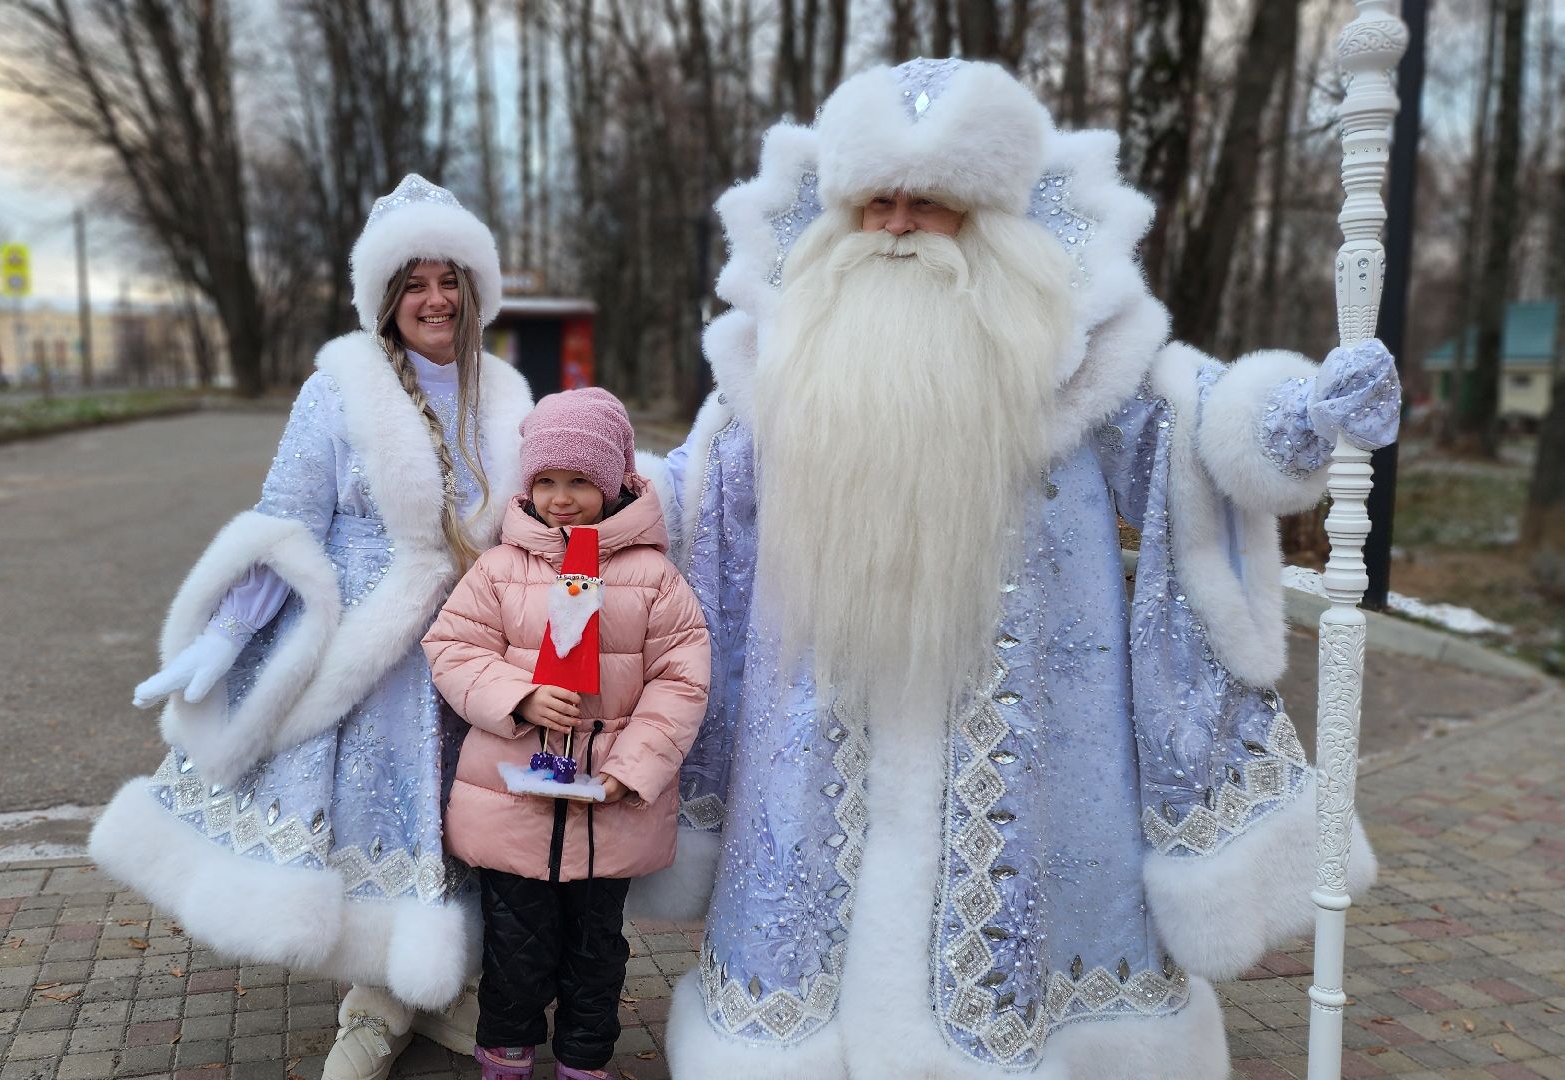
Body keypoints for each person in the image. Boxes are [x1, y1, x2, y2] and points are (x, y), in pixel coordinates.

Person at [641, 59, 1403, 1077]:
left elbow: (1196, 430)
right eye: (877, 201)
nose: (900, 226)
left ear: (988, 218)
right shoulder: (775, 363)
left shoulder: (1074, 357)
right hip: (824, 723)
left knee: (1012, 938)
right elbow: (695, 499)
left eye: (931, 203)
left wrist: (1302, 416)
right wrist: (574, 488)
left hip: (1022, 728)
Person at [88, 175, 535, 1080]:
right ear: (385, 298)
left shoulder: (509, 395)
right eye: (414, 283)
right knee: (382, 822)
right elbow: (287, 524)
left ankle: (442, 988)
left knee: (469, 827)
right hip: (371, 658)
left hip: (476, 653)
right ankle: (372, 1006)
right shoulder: (341, 391)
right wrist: (221, 637)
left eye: (449, 279)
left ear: (475, 288)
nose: (435, 300)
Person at [423, 388, 711, 1080]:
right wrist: (517, 697)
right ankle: (505, 1054)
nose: (560, 498)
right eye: (546, 481)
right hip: (512, 804)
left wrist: (634, 763)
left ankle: (585, 1061)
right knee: (514, 947)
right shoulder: (500, 569)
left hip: (605, 809)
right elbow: (452, 649)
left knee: (596, 951)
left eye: (579, 481)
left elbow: (681, 680)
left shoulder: (652, 579)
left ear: (611, 482)